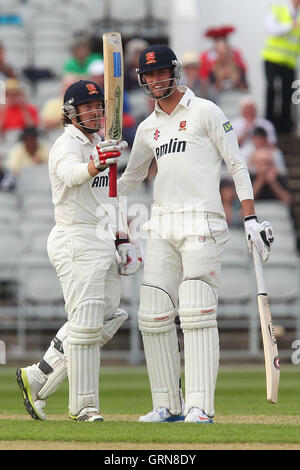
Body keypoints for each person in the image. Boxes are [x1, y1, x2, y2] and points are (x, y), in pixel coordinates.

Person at [117, 44, 274, 424]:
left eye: (161, 73)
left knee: (197, 313)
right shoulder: (147, 128)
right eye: (149, 75)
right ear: (143, 80)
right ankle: (167, 404)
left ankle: (199, 406)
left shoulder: (206, 111)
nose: (156, 81)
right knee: (153, 316)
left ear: (175, 72)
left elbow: (237, 164)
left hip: (202, 221)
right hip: (162, 222)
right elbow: (129, 180)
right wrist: (101, 169)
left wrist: (250, 217)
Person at [16, 79, 141, 422]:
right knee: (85, 327)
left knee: (110, 316)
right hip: (74, 239)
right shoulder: (64, 145)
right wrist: (97, 163)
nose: (96, 112)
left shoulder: (102, 142)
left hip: (102, 237)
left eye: (99, 106)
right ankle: (83, 407)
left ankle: (38, 377)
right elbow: (72, 176)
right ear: (71, 113)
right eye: (88, 107)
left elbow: (111, 197)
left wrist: (122, 238)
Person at [261, 0, 300, 134]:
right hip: (272, 58)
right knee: (272, 89)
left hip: (289, 62)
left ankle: (285, 126)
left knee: (288, 93)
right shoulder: (278, 9)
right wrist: (291, 25)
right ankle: (269, 123)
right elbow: (270, 28)